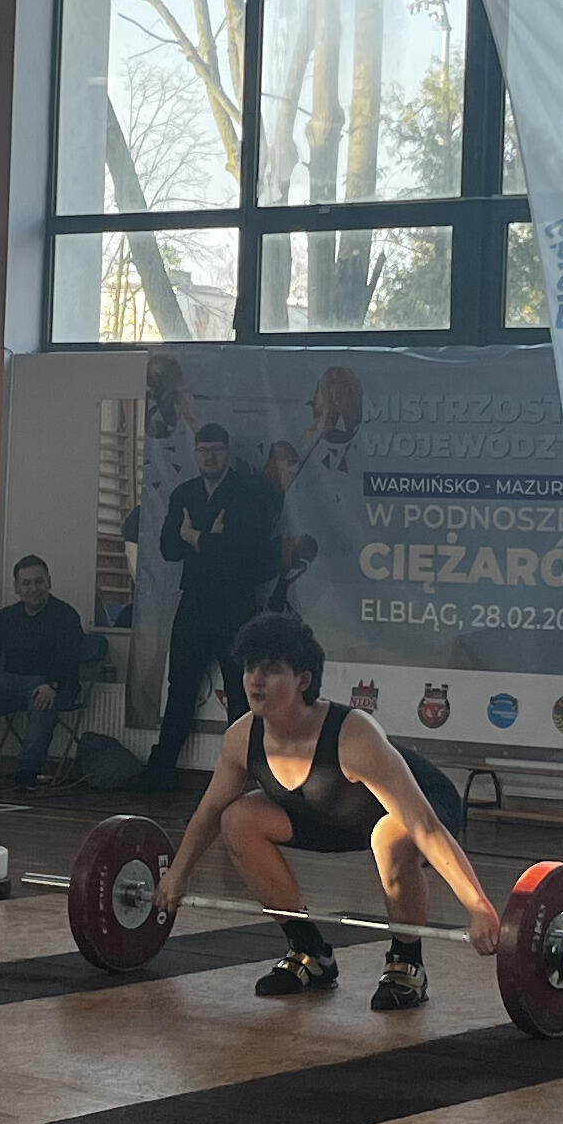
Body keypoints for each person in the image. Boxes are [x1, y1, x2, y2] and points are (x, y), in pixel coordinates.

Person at [169, 610, 500, 1012]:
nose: (255, 680)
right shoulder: (242, 738)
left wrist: (477, 906)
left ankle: (406, 963)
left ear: (303, 680)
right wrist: (176, 876)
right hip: (327, 817)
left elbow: (423, 824)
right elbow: (208, 812)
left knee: (389, 836)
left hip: (421, 805)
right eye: (251, 667)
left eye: (271, 670)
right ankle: (310, 953)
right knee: (236, 818)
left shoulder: (352, 736)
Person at [150, 422, 284, 782]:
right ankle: (160, 773)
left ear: (228, 453)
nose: (209, 456)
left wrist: (195, 536)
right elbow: (168, 548)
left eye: (216, 450)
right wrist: (212, 539)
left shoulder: (248, 493)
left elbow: (246, 554)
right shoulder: (184, 493)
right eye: (203, 450)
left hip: (235, 604)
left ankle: (244, 775)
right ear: (195, 453)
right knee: (180, 688)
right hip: (194, 601)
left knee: (241, 693)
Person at [0, 553, 90, 790]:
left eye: (39, 581)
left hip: (52, 682)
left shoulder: (66, 616)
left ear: (49, 582)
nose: (33, 588)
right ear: (16, 587)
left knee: (42, 701)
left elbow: (69, 658)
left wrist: (52, 684)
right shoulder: (7, 616)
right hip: (9, 680)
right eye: (26, 583)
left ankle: (28, 770)